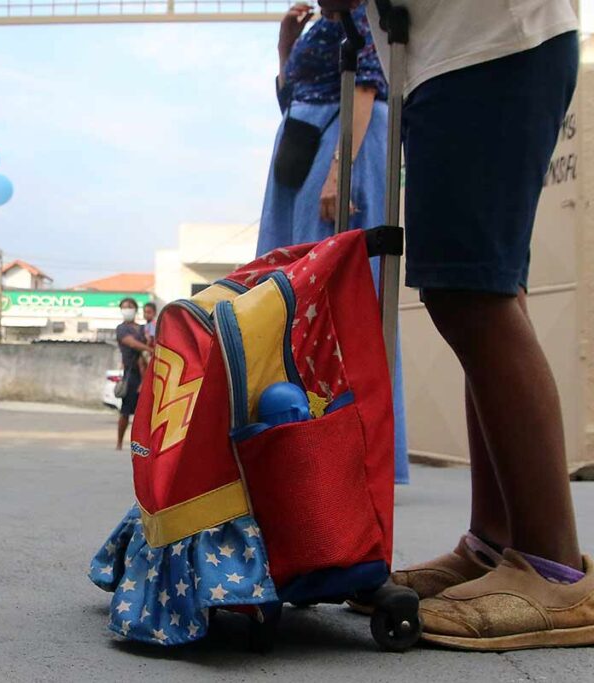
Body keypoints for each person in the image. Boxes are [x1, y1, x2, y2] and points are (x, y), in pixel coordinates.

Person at [320, 0, 590, 651]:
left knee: (469, 290)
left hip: (486, 43)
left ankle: (553, 566)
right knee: (487, 287)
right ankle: (496, 543)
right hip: (462, 50)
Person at [259, 3, 410, 486]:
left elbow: (366, 87)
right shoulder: (319, 23)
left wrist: (338, 171)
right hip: (301, 154)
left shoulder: (362, 12)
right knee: (292, 293)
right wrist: (285, 45)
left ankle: (353, 444)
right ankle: (300, 435)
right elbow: (292, 97)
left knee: (339, 296)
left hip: (343, 145)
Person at [115, 297, 152, 451]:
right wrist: (149, 349)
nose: (127, 309)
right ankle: (119, 442)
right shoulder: (122, 328)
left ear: (136, 309)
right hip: (131, 374)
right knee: (125, 411)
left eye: (130, 306)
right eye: (124, 307)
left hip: (147, 372)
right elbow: (131, 343)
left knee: (144, 413)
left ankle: (142, 444)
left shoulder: (144, 327)